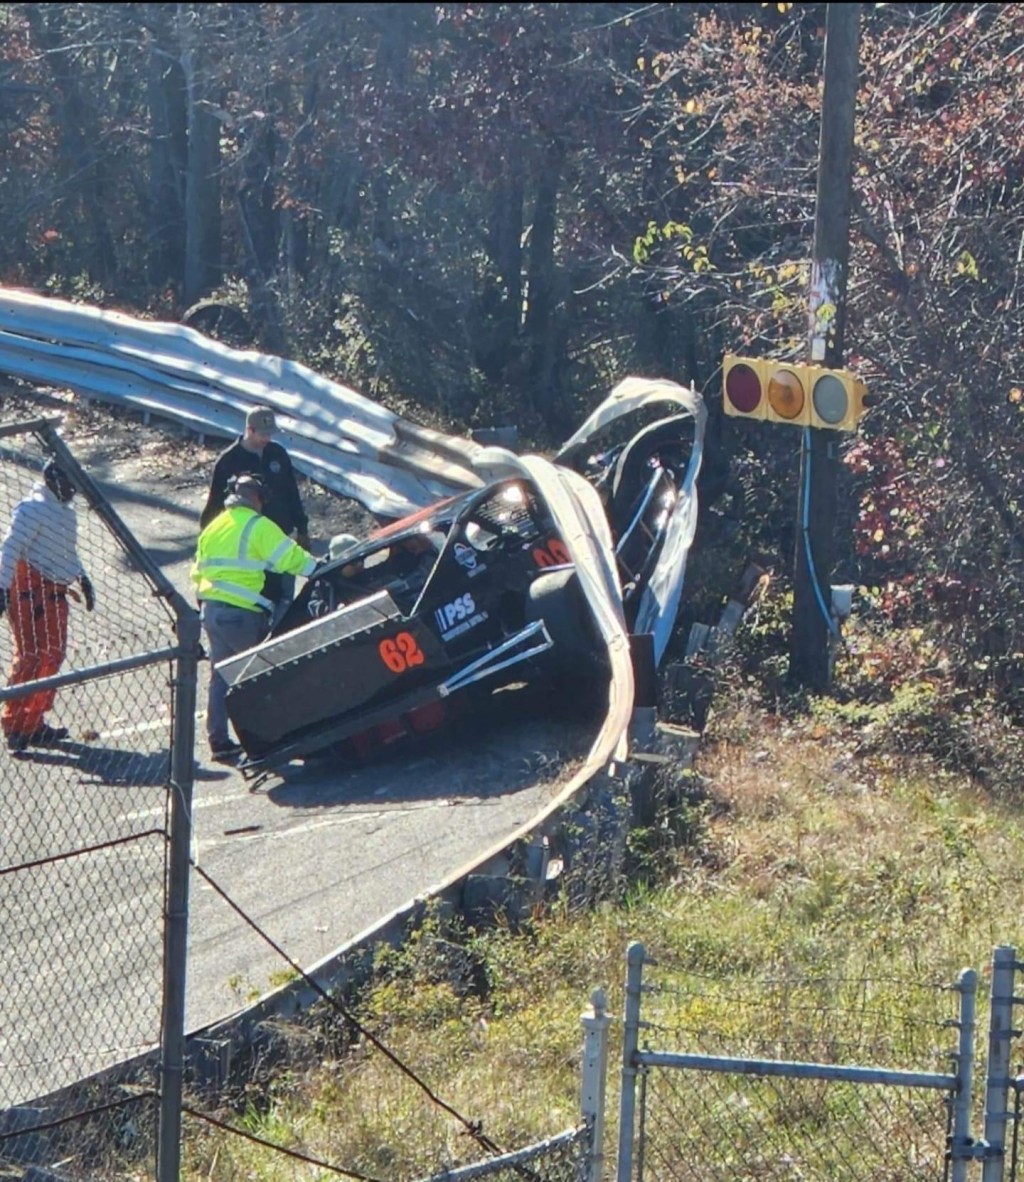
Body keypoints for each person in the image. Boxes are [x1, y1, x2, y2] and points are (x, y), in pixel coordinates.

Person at [192, 473, 318, 765]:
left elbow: (197, 572)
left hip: (212, 611)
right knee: (262, 676)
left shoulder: (214, 527)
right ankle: (272, 737)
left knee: (221, 676)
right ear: (258, 498)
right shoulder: (257, 525)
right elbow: (290, 558)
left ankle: (219, 740)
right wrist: (319, 568)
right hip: (242, 615)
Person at [0, 460, 95, 752]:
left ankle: (34, 721)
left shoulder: (66, 513)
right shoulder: (32, 509)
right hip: (29, 591)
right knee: (29, 656)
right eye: (69, 483)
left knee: (53, 654)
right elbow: (10, 548)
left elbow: (67, 551)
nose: (73, 489)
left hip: (54, 592)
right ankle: (13, 722)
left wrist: (81, 576)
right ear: (54, 480)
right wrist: (2, 586)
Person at [199, 404, 311, 626]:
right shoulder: (229, 461)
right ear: (249, 430)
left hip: (280, 539)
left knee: (284, 599)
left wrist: (302, 529)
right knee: (258, 601)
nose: (267, 439)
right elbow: (214, 506)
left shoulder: (278, 454)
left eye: (270, 434)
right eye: (263, 434)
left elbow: (292, 493)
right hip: (250, 547)